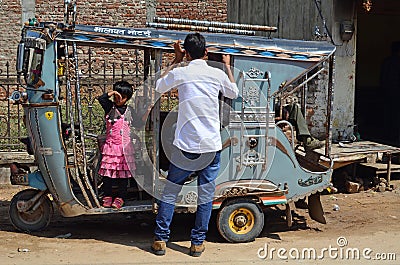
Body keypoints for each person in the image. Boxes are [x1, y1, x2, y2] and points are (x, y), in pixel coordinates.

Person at [152, 33, 238, 257]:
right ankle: (197, 243)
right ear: (206, 53)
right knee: (205, 196)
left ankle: (161, 240)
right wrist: (227, 66)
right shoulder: (216, 73)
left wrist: (175, 60)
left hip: (185, 147)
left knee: (170, 193)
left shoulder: (181, 72)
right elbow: (234, 93)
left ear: (187, 54)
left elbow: (158, 86)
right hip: (210, 147)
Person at [97, 81, 149, 209]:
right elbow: (101, 98)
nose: (118, 99)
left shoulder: (129, 111)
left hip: (125, 148)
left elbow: (138, 124)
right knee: (108, 174)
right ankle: (107, 196)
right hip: (111, 147)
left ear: (127, 98)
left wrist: (148, 110)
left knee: (123, 175)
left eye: (122, 97)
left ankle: (121, 197)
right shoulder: (110, 107)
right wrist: (112, 92)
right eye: (116, 96)